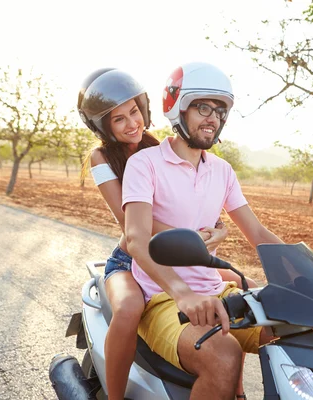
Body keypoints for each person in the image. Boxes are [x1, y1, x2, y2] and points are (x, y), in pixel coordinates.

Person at [77, 68, 247, 399]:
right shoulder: (102, 157)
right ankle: (115, 395)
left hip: (172, 250)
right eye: (119, 119)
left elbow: (194, 209)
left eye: (134, 112)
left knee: (238, 284)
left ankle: (235, 389)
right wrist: (191, 235)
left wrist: (216, 232)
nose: (132, 124)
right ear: (103, 127)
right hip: (129, 257)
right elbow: (128, 223)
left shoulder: (154, 147)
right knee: (127, 310)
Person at [122, 62, 288, 399]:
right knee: (223, 354)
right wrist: (183, 292)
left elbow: (257, 232)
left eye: (219, 110)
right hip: (164, 298)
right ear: (178, 108)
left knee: (297, 328)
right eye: (202, 107)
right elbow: (136, 239)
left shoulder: (223, 171)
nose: (212, 117)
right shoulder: (145, 164)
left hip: (217, 292)